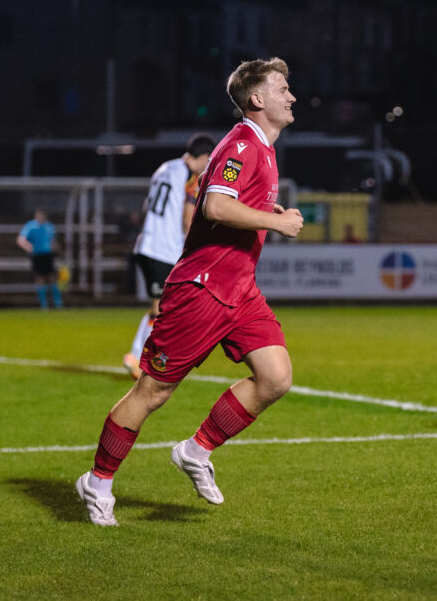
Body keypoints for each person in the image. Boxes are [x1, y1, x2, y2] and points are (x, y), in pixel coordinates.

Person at [76, 57, 304, 525]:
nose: (292, 95)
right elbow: (217, 206)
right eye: (282, 87)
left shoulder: (262, 147)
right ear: (256, 99)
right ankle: (97, 482)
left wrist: (263, 208)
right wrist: (276, 221)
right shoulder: (242, 142)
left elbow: (221, 202)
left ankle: (195, 451)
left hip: (239, 291)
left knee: (276, 377)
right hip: (200, 290)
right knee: (153, 391)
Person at [122, 133, 215, 379]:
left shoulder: (164, 168)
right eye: (209, 161)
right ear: (204, 157)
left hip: (146, 244)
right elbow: (187, 217)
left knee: (162, 307)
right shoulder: (190, 177)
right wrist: (194, 245)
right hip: (163, 249)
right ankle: (143, 360)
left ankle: (139, 356)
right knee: (166, 310)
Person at [16, 207, 63, 309]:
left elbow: (52, 240)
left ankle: (58, 303)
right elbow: (20, 239)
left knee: (52, 278)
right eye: (39, 215)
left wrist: (58, 250)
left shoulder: (49, 226)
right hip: (37, 255)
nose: (41, 217)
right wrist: (28, 247)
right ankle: (44, 304)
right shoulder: (31, 226)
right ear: (36, 216)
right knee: (40, 278)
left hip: (48, 255)